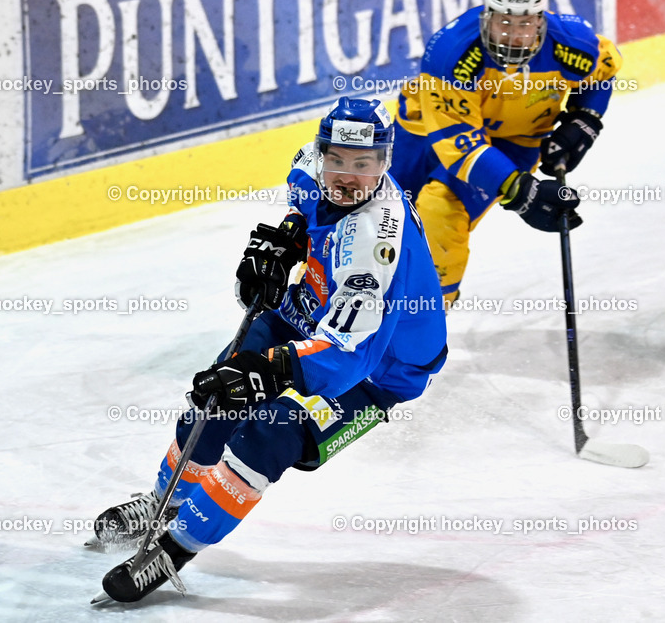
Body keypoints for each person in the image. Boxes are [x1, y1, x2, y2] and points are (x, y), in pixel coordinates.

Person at [91, 97, 449, 603]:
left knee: (267, 436)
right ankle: (163, 501)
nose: (347, 176)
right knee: (216, 394)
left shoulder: (376, 243)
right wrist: (288, 239)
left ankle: (175, 548)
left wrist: (270, 371)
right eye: (338, 161)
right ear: (322, 153)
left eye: (364, 165)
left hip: (380, 369)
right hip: (310, 314)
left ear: (385, 164)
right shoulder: (307, 166)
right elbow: (303, 208)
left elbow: (352, 353)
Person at [390, 0, 622, 304]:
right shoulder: (452, 51)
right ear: (488, 14)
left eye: (525, 23)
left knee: (440, 212)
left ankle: (422, 324)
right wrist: (519, 189)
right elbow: (458, 142)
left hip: (512, 142)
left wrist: (585, 119)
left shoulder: (572, 44)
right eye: (504, 22)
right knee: (377, 213)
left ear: (540, 20)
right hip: (422, 132)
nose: (514, 34)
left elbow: (605, 71)